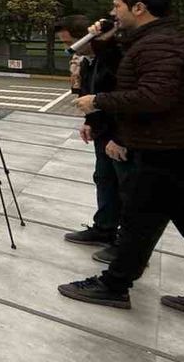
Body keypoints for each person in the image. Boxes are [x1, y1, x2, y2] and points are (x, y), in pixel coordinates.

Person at [60, 0, 184, 316]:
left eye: (117, 6)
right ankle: (116, 282)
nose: (112, 13)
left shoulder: (160, 45)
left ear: (139, 7)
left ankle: (114, 285)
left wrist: (98, 101)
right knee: (162, 222)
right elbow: (127, 74)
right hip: (175, 148)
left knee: (141, 219)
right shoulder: (157, 39)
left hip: (168, 149)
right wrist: (105, 44)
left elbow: (154, 96)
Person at [56, 16, 125, 262]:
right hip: (103, 131)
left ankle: (128, 246)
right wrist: (89, 122)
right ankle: (104, 228)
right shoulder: (88, 61)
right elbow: (89, 95)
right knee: (104, 178)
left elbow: (125, 99)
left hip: (121, 133)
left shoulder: (115, 58)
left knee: (125, 187)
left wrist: (120, 137)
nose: (70, 49)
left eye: (72, 42)